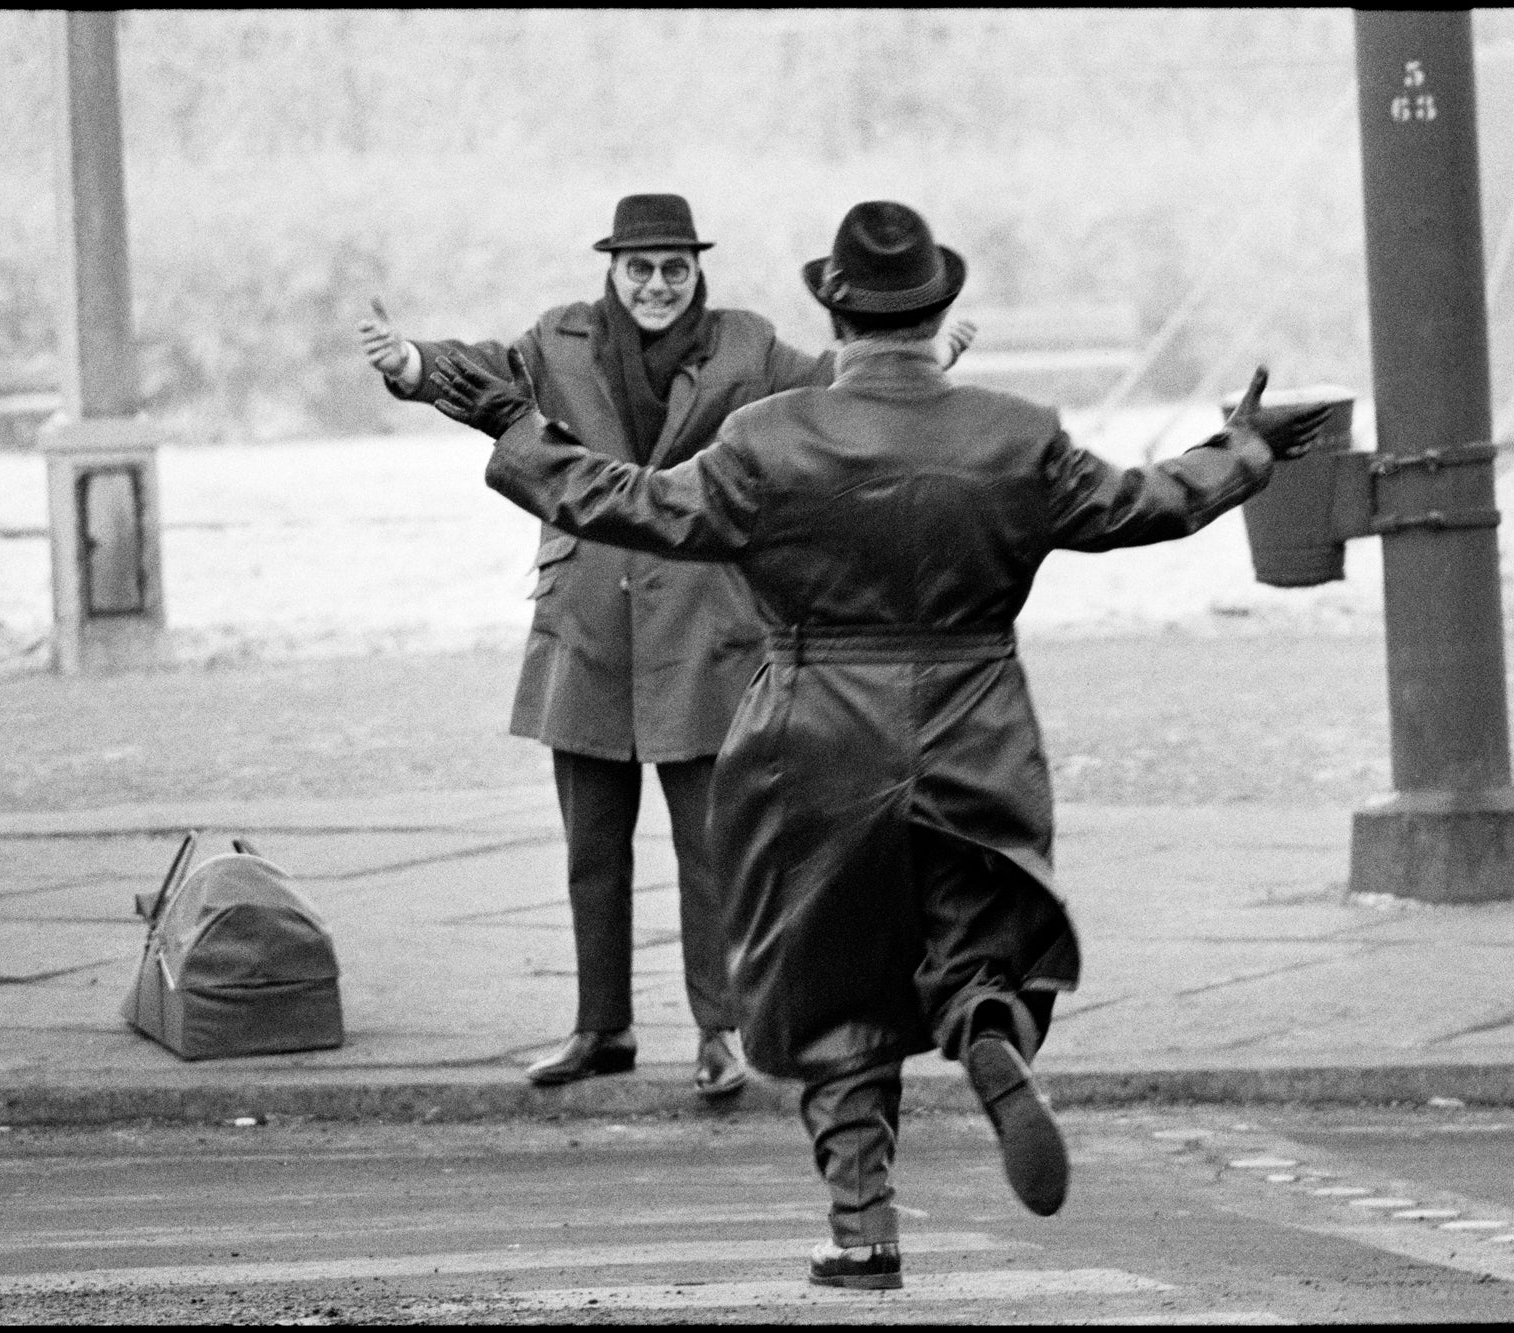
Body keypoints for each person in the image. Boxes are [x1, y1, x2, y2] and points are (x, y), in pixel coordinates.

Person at [441, 200, 1327, 1288]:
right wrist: (1242, 448)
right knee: (972, 933)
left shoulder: (768, 439)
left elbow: (623, 503)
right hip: (975, 720)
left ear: (837, 313)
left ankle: (862, 1232)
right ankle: (985, 1031)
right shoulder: (1014, 432)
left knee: (835, 987)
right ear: (938, 310)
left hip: (810, 728)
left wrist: (514, 429)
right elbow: (1141, 504)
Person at [356, 194, 973, 1101]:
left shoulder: (747, 345)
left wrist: (916, 361)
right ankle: (600, 1028)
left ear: (697, 272)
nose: (656, 285)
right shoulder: (556, 342)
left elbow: (828, 385)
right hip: (587, 625)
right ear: (611, 270)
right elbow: (481, 373)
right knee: (590, 849)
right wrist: (410, 363)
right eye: (639, 269)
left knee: (711, 847)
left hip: (706, 628)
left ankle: (718, 1033)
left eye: (673, 269)